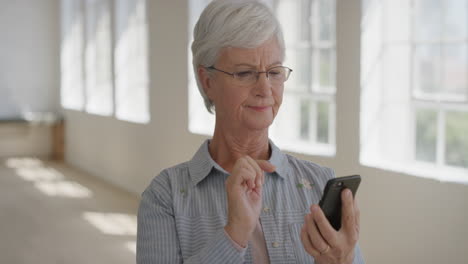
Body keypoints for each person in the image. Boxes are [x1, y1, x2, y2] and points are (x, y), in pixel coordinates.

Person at [137, 0, 365, 263]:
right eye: (245, 73)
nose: (265, 89)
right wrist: (234, 236)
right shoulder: (165, 197)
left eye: (275, 71)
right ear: (207, 81)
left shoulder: (319, 183)